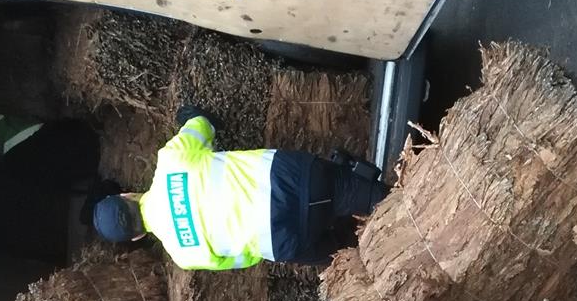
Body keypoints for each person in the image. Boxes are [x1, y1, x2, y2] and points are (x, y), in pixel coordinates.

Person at [92, 105, 386, 270]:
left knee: (347, 256)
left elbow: (245, 259)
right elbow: (203, 123)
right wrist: (188, 116)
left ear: (137, 236)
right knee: (374, 198)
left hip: (285, 237)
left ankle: (373, 250)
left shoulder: (185, 256)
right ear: (127, 195)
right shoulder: (171, 160)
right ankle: (387, 201)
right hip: (292, 179)